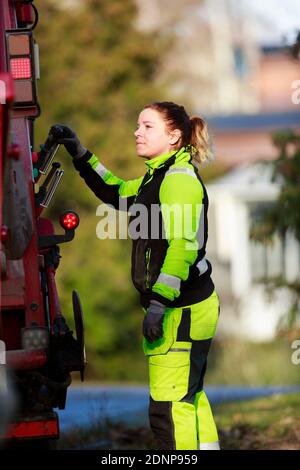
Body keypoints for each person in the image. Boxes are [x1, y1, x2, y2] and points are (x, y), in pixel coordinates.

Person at [51, 101, 220, 450]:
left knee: (168, 409)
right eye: (137, 125)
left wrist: (158, 303)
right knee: (188, 396)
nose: (136, 132)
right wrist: (81, 154)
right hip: (186, 307)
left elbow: (182, 248)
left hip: (179, 311)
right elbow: (114, 191)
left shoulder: (177, 181)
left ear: (174, 136)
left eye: (146, 126)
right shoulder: (156, 178)